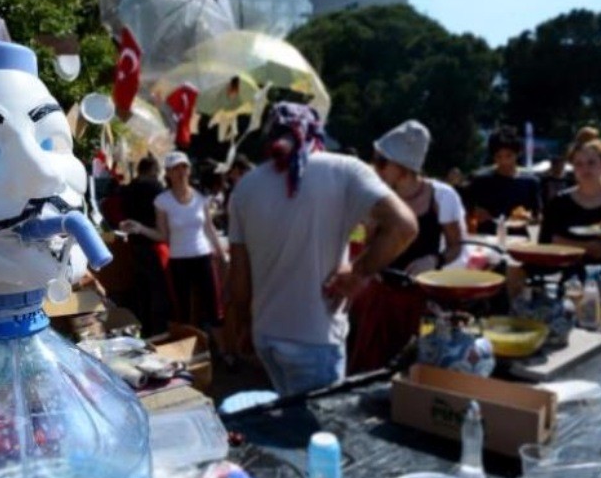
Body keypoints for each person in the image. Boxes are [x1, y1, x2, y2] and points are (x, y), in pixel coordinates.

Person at [227, 102, 417, 396]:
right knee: (315, 435)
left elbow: (239, 279)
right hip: (315, 339)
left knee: (289, 422)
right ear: (317, 132)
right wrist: (359, 272)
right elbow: (404, 227)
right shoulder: (344, 170)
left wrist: (242, 326)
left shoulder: (245, 187)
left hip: (266, 335)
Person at [349, 120, 467, 373]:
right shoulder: (378, 197)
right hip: (383, 299)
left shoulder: (440, 196)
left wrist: (434, 260)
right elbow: (366, 244)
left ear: (403, 169)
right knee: (370, 369)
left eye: (382, 163)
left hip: (423, 298)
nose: (375, 169)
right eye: (375, 160)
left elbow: (458, 245)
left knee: (420, 369)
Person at [120, 151, 230, 360]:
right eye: (176, 168)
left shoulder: (200, 198)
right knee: (183, 313)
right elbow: (163, 235)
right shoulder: (163, 201)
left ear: (189, 169)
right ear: (168, 173)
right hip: (179, 261)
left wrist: (221, 254)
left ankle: (225, 353)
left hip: (203, 257)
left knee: (214, 309)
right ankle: (189, 356)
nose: (181, 172)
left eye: (184, 167)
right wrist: (140, 228)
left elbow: (209, 228)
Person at [539, 138, 601, 318]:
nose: (585, 169)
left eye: (591, 163)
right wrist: (588, 247)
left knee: (599, 333)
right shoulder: (560, 203)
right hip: (571, 281)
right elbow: (547, 242)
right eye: (579, 164)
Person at [119, 155, 171, 337]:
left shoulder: (127, 189)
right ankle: (159, 330)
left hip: (134, 245)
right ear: (154, 170)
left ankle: (145, 329)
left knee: (142, 291)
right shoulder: (156, 189)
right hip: (153, 244)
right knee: (157, 290)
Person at [467, 126, 541, 236]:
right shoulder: (480, 180)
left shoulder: (530, 182)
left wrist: (528, 218)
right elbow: (466, 210)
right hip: (488, 238)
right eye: (498, 157)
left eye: (508, 156)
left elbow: (537, 216)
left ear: (517, 154)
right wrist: (474, 213)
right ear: (493, 157)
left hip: (519, 240)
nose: (504, 161)